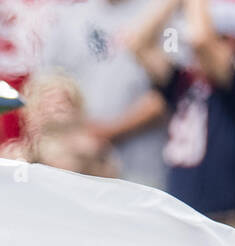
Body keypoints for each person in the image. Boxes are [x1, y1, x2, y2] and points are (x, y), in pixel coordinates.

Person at [129, 0, 235, 239]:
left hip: (230, 226)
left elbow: (201, 39)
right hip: (182, 222)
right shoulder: (184, 81)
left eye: (220, 38)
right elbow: (136, 42)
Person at [38, 0, 169, 188]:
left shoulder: (160, 13)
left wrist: (106, 132)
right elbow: (46, 87)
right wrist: (72, 134)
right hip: (78, 170)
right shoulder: (69, 19)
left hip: (144, 171)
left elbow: (172, 93)